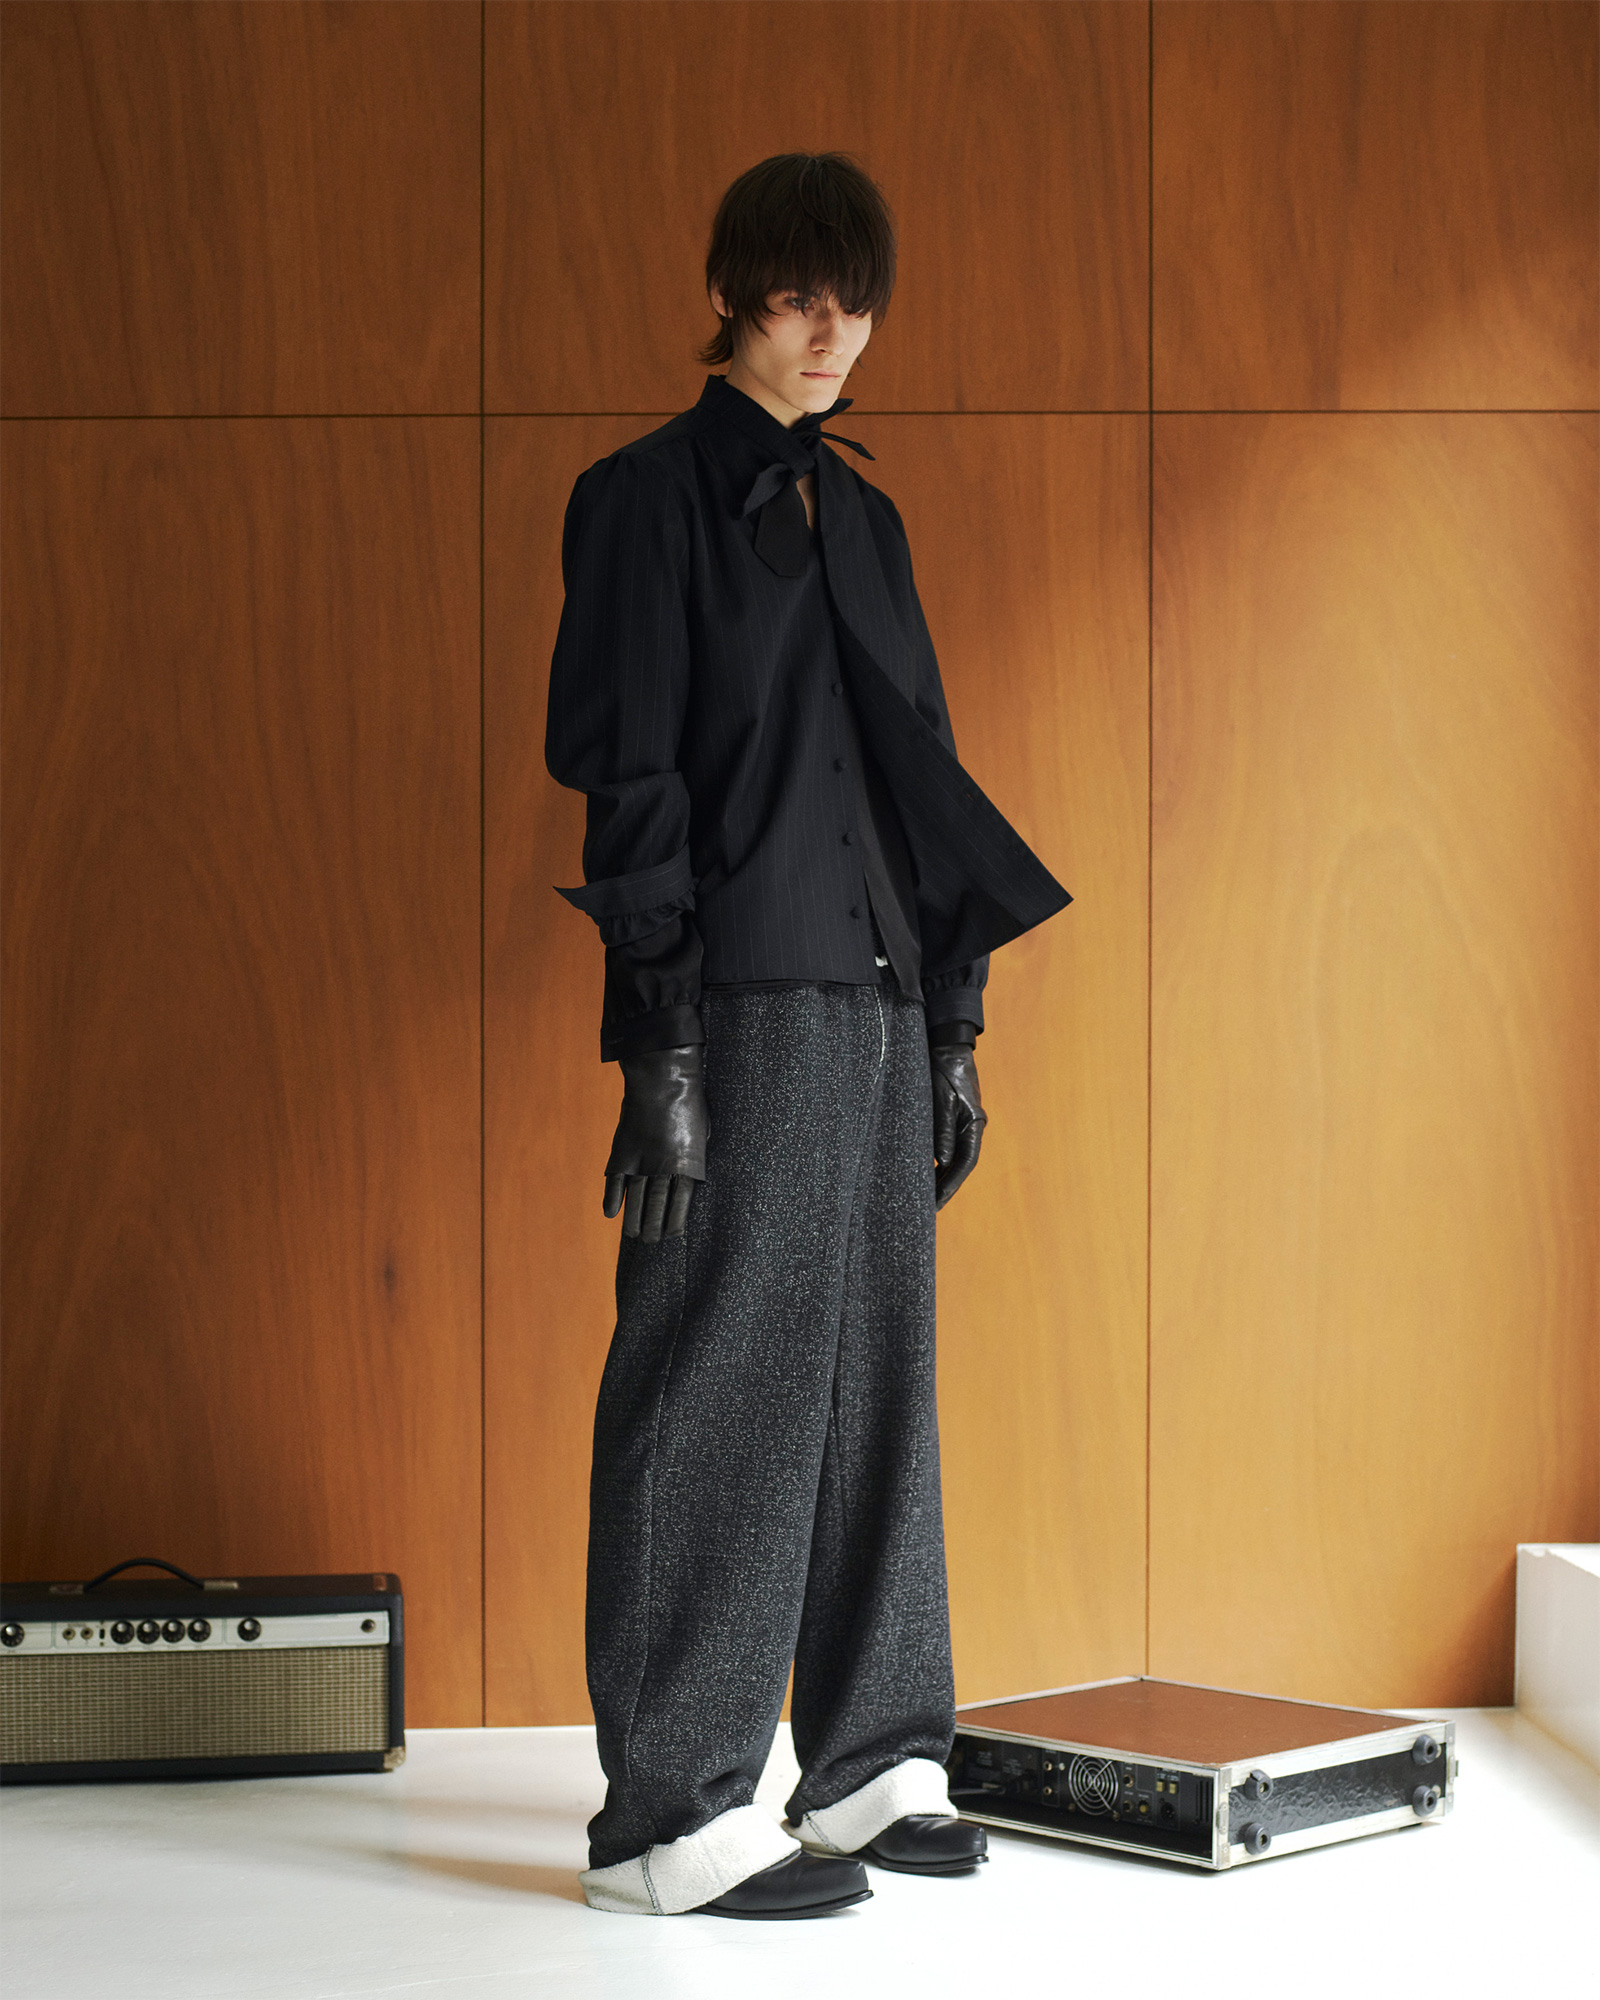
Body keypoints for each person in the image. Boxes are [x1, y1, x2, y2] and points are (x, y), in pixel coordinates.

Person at [545, 152, 1071, 1920]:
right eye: (795, 297)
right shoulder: (643, 502)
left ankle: (870, 1760)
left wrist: (955, 1026)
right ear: (729, 295)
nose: (831, 332)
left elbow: (922, 781)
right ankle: (669, 1811)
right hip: (742, 1005)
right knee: (717, 1382)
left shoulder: (869, 522)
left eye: (856, 301)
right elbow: (632, 781)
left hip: (882, 998)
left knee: (872, 1382)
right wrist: (662, 1053)